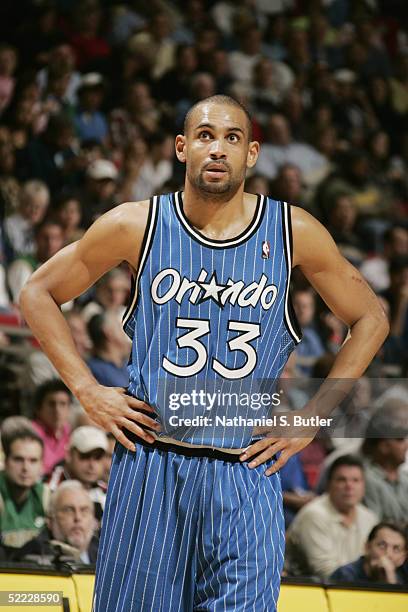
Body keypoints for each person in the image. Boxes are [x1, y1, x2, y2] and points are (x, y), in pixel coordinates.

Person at [20, 95, 388, 611]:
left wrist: (313, 418)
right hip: (151, 466)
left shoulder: (293, 231)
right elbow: (37, 292)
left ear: (252, 153)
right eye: (206, 136)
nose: (218, 149)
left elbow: (371, 318)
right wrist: (86, 389)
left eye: (232, 138)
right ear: (182, 147)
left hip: (245, 471)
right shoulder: (135, 225)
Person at [285, 455, 378, 578]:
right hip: (310, 590)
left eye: (356, 480)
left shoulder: (369, 518)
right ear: (329, 485)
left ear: (363, 486)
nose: (349, 486)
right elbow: (326, 573)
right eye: (341, 480)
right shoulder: (314, 515)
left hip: (353, 587)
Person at [15, 480, 98, 564]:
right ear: (50, 521)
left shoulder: (104, 552)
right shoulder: (34, 554)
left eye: (84, 510)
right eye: (68, 510)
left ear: (94, 521)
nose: (78, 517)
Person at [0, 428, 49, 551]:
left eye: (33, 461)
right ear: (5, 461)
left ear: (41, 466)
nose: (25, 468)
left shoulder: (46, 496)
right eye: (18, 459)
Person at [46, 426, 108, 522]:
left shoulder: (108, 493)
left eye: (97, 458)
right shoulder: (49, 488)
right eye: (85, 456)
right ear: (69, 454)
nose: (92, 465)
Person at [330, 522, 407, 585]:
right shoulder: (345, 575)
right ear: (367, 547)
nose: (388, 553)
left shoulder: (401, 578)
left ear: (403, 558)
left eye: (396, 549)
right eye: (382, 545)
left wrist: (390, 580)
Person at [31, 379, 73, 475]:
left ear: (69, 409)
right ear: (38, 408)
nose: (57, 410)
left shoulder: (70, 433)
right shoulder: (30, 432)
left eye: (63, 404)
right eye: (51, 404)